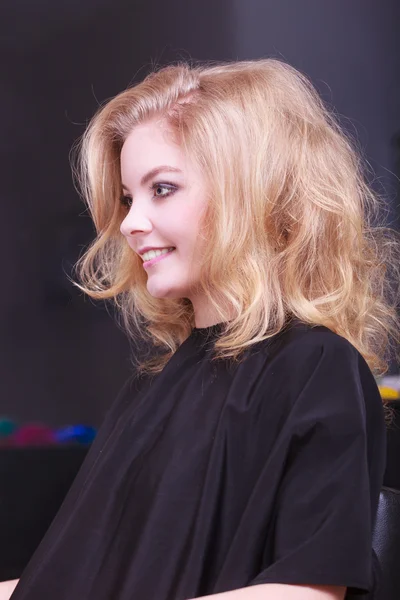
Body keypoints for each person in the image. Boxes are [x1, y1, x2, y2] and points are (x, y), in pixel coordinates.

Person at [4, 58, 400, 600]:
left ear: (252, 192)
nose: (129, 222)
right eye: (126, 198)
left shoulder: (316, 368)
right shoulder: (150, 388)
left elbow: (306, 591)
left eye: (161, 189)